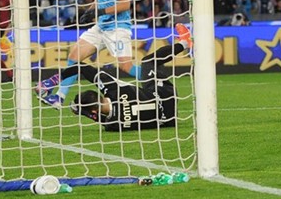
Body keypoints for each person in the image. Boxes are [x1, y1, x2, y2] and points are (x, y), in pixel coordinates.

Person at [37, 0, 138, 107]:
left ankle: (154, 78)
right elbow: (100, 0)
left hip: (117, 28)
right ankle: (59, 98)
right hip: (101, 26)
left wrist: (100, 12)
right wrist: (87, 12)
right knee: (74, 55)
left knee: (126, 67)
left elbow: (125, 4)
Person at [65, 25, 193, 131]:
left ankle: (185, 43)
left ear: (93, 111)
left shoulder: (114, 124)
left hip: (169, 120)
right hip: (166, 94)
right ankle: (184, 43)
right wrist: (57, 79)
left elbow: (101, 120)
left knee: (146, 88)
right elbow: (84, 68)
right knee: (148, 62)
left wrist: (84, 112)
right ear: (99, 95)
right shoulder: (114, 90)